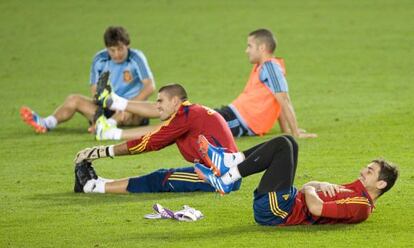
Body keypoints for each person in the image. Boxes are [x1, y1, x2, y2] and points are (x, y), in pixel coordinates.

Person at [93, 28, 316, 140]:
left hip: (236, 119)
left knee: (175, 117)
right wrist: (289, 131)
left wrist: (293, 131)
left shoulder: (269, 67)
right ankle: (112, 121)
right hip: (234, 117)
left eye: (249, 46)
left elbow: (283, 100)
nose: (246, 50)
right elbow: (277, 102)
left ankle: (113, 115)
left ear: (262, 48)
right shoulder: (266, 68)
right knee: (175, 119)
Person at [73, 83, 242, 194]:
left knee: (161, 179)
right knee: (163, 176)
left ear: (175, 101)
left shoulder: (186, 116)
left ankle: (93, 187)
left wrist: (101, 151)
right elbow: (151, 139)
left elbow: (147, 143)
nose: (158, 105)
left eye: (161, 101)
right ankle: (101, 183)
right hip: (225, 174)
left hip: (220, 178)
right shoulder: (190, 114)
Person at [195, 135, 399, 226]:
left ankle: (228, 175)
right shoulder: (357, 191)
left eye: (370, 171)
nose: (363, 170)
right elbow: (307, 188)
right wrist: (316, 185)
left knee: (283, 144)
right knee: (290, 142)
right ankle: (230, 163)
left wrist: (312, 189)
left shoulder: (361, 205)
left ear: (381, 184)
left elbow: (316, 208)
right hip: (286, 202)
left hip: (279, 212)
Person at [20, 26, 155, 134]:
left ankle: (106, 127)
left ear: (127, 45)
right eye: (112, 50)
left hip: (132, 107)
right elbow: (95, 90)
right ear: (107, 48)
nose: (116, 54)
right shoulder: (100, 59)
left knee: (128, 112)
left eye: (120, 49)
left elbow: (150, 86)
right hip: (108, 106)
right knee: (73, 99)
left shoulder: (136, 57)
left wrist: (127, 105)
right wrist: (100, 113)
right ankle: (46, 123)